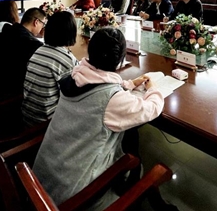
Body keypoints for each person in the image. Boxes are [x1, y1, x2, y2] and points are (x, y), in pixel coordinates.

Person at [32, 27, 163, 209]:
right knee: (134, 155)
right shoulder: (111, 99)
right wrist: (154, 89)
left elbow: (98, 82)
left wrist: (129, 84)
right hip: (74, 197)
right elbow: (152, 109)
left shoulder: (75, 75)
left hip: (41, 181)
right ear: (120, 60)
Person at [22, 11, 79, 126]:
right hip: (45, 122)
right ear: (72, 32)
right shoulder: (66, 60)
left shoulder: (39, 50)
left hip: (26, 115)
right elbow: (73, 97)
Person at [0, 7, 46, 100]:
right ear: (36, 22)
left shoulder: (8, 30)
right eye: (43, 24)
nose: (42, 27)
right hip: (5, 94)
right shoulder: (31, 43)